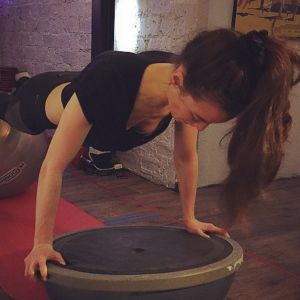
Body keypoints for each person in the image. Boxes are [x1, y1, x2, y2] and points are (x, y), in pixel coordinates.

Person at [1, 28, 300, 281]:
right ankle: (22, 82)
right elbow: (53, 166)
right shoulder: (110, 79)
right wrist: (41, 243)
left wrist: (189, 218)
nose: (200, 127)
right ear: (177, 80)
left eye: (208, 122)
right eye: (198, 116)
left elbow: (185, 158)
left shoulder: (193, 80)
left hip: (80, 87)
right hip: (36, 103)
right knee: (6, 111)